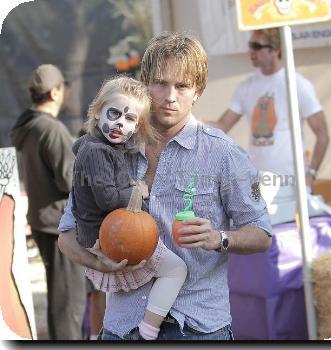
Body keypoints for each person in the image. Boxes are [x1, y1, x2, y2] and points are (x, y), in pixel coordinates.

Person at [58, 31, 272, 341]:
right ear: (144, 84)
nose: (170, 96)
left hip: (198, 327)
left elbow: (261, 233)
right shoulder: (108, 148)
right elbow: (66, 234)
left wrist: (218, 237)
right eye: (160, 83)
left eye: (182, 86)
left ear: (197, 90)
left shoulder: (225, 154)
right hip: (123, 327)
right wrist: (99, 263)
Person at [71, 75, 187, 340]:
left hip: (108, 232)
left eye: (130, 119)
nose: (120, 124)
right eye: (114, 114)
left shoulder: (101, 146)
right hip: (107, 237)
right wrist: (137, 188)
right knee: (176, 270)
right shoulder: (97, 152)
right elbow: (108, 199)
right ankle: (149, 328)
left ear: (136, 127)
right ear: (98, 111)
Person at [10, 64, 87, 340]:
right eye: (63, 88)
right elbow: (70, 181)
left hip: (44, 222)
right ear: (55, 92)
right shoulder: (51, 129)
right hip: (60, 226)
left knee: (60, 299)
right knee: (69, 304)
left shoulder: (28, 127)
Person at [207, 28, 329, 188]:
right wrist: (189, 121)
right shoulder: (246, 87)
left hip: (293, 181)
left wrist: (311, 175)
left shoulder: (298, 85)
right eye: (250, 45)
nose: (251, 50)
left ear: (275, 50)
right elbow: (222, 126)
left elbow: (323, 135)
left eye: (257, 46)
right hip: (259, 181)